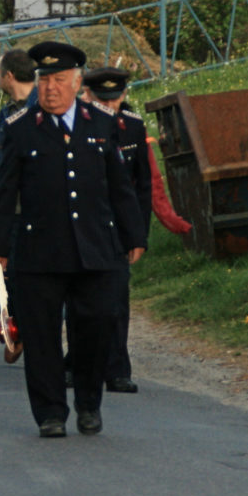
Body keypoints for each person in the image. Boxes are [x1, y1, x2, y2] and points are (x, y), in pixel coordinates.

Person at [0, 42, 146, 438]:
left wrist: (133, 234)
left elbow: (121, 187)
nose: (50, 88)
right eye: (44, 80)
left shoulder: (102, 123)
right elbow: (4, 191)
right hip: (40, 249)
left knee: (94, 327)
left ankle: (88, 404)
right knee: (41, 336)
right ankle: (51, 412)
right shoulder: (21, 128)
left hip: (95, 247)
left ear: (76, 82)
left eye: (58, 80)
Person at [81, 65, 187, 394]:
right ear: (86, 95)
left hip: (118, 228)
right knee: (80, 300)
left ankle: (117, 369)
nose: (108, 106)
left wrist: (138, 234)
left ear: (124, 96)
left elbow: (143, 186)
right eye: (101, 100)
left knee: (116, 299)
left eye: (114, 100)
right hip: (83, 226)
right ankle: (79, 363)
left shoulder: (134, 128)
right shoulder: (73, 127)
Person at [0, 49, 37, 236]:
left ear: (9, 76)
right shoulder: (6, 113)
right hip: (9, 211)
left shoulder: (44, 107)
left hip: (39, 212)